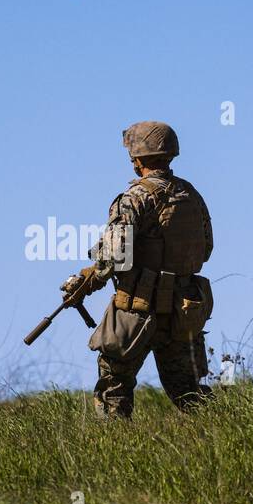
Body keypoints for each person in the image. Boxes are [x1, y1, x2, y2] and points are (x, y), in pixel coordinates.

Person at [64, 121, 214, 417]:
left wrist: (86, 280)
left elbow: (112, 257)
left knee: (113, 388)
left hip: (137, 310)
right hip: (183, 311)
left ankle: (116, 454)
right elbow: (206, 249)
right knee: (189, 393)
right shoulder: (192, 196)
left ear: (138, 158)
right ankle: (232, 437)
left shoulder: (134, 198)